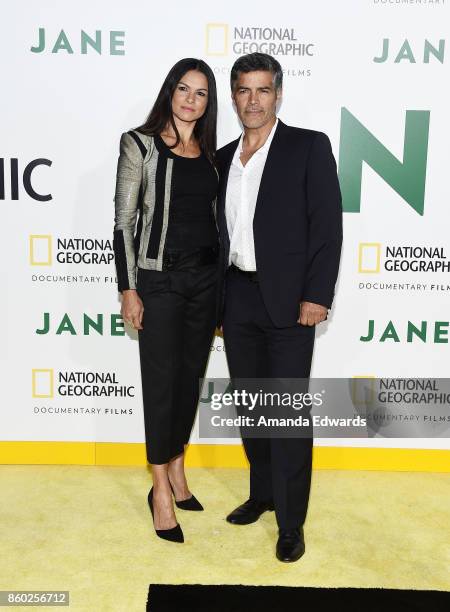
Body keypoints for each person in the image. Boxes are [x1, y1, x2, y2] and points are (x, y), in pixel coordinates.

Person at [216, 53, 343, 562]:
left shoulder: (308, 147)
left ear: (279, 94)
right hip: (237, 296)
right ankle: (263, 493)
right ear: (233, 97)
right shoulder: (222, 157)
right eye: (244, 90)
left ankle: (291, 523)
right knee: (252, 407)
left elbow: (327, 228)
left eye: (263, 90)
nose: (253, 100)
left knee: (287, 414)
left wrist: (318, 295)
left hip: (291, 302)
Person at [113, 58, 219, 543]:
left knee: (188, 381)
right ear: (169, 91)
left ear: (207, 102)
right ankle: (159, 488)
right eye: (183, 88)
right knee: (160, 386)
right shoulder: (139, 144)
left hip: (205, 282)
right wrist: (128, 287)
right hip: (157, 282)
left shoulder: (214, 152)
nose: (190, 99)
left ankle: (177, 469)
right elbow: (123, 222)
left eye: (200, 93)